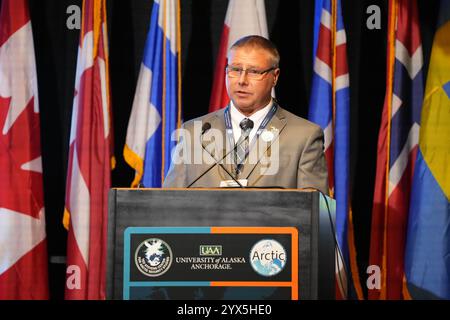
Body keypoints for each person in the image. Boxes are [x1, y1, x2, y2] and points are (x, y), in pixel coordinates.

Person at [163, 35, 328, 194]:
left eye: (254, 71)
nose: (242, 80)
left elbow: (315, 214)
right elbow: (167, 205)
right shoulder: (194, 133)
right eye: (235, 69)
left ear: (275, 77)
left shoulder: (304, 136)